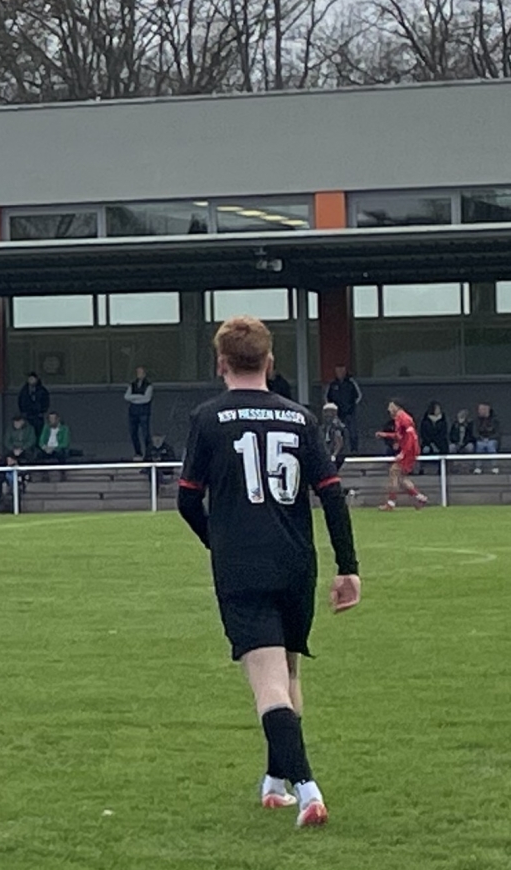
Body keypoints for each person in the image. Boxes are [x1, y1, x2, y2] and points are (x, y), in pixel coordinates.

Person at [176, 315, 359, 827]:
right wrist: (348, 567)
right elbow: (331, 494)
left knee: (267, 685)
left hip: (243, 566)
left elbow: (187, 501)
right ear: (270, 362)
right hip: (296, 561)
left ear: (221, 363)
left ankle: (308, 789)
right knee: (289, 671)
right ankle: (275, 783)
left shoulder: (208, 419)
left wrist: (219, 541)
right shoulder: (300, 418)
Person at [375, 400, 429, 511]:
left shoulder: (404, 418)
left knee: (394, 472)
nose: (389, 409)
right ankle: (420, 498)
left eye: (391, 406)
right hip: (409, 451)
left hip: (409, 451)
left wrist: (403, 453)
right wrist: (385, 435)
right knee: (400, 478)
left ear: (397, 406)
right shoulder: (400, 418)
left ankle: (391, 503)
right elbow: (400, 435)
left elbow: (411, 436)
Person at [324, 366, 362, 449]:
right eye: (338, 371)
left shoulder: (351, 383)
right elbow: (327, 397)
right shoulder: (332, 384)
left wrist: (352, 406)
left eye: (342, 371)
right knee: (338, 432)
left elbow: (358, 396)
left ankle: (354, 450)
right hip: (337, 413)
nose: (340, 373)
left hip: (350, 412)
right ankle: (340, 450)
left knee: (353, 432)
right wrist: (331, 409)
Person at [124, 367, 155, 459]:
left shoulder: (149, 385)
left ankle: (148, 453)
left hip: (144, 412)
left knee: (146, 434)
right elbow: (126, 397)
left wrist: (134, 398)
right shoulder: (132, 385)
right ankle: (138, 452)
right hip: (133, 412)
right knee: (133, 433)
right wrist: (140, 396)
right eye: (138, 372)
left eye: (141, 372)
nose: (139, 374)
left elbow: (147, 399)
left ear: (144, 374)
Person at [318, 403, 349, 470]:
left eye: (327, 412)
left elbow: (339, 443)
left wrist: (334, 455)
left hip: (338, 457)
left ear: (334, 413)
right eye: (324, 412)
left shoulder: (338, 426)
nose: (326, 414)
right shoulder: (324, 426)